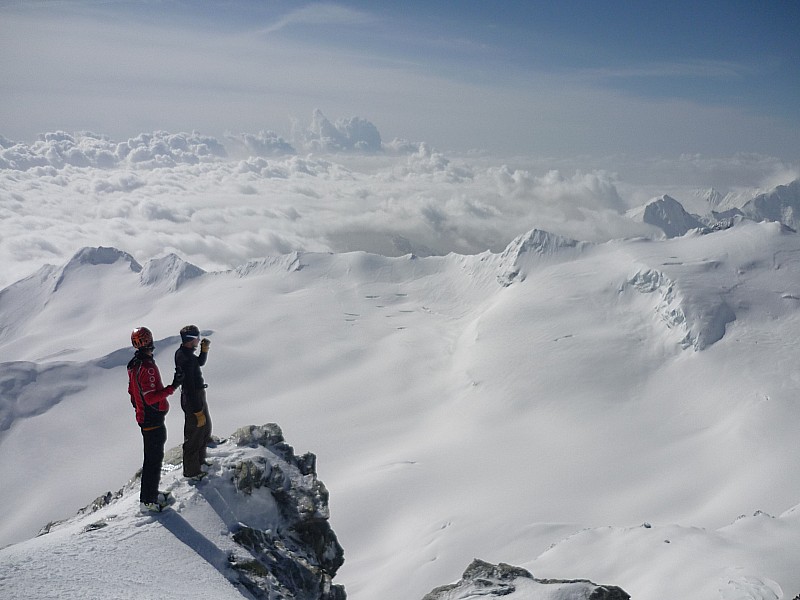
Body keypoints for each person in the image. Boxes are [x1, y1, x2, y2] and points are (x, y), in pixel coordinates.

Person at [127, 326, 183, 512]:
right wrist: (172, 387)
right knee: (153, 459)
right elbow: (151, 396)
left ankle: (150, 495)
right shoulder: (147, 367)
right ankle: (148, 501)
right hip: (153, 419)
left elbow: (132, 393)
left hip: (145, 418)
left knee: (152, 458)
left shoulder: (134, 365)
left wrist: (139, 409)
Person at [175, 324, 212, 481]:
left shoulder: (186, 353)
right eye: (197, 338)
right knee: (194, 435)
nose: (198, 340)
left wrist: (204, 351)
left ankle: (199, 462)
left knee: (204, 430)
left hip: (196, 396)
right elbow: (189, 387)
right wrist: (197, 411)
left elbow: (199, 363)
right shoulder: (186, 358)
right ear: (191, 340)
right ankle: (191, 471)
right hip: (193, 399)